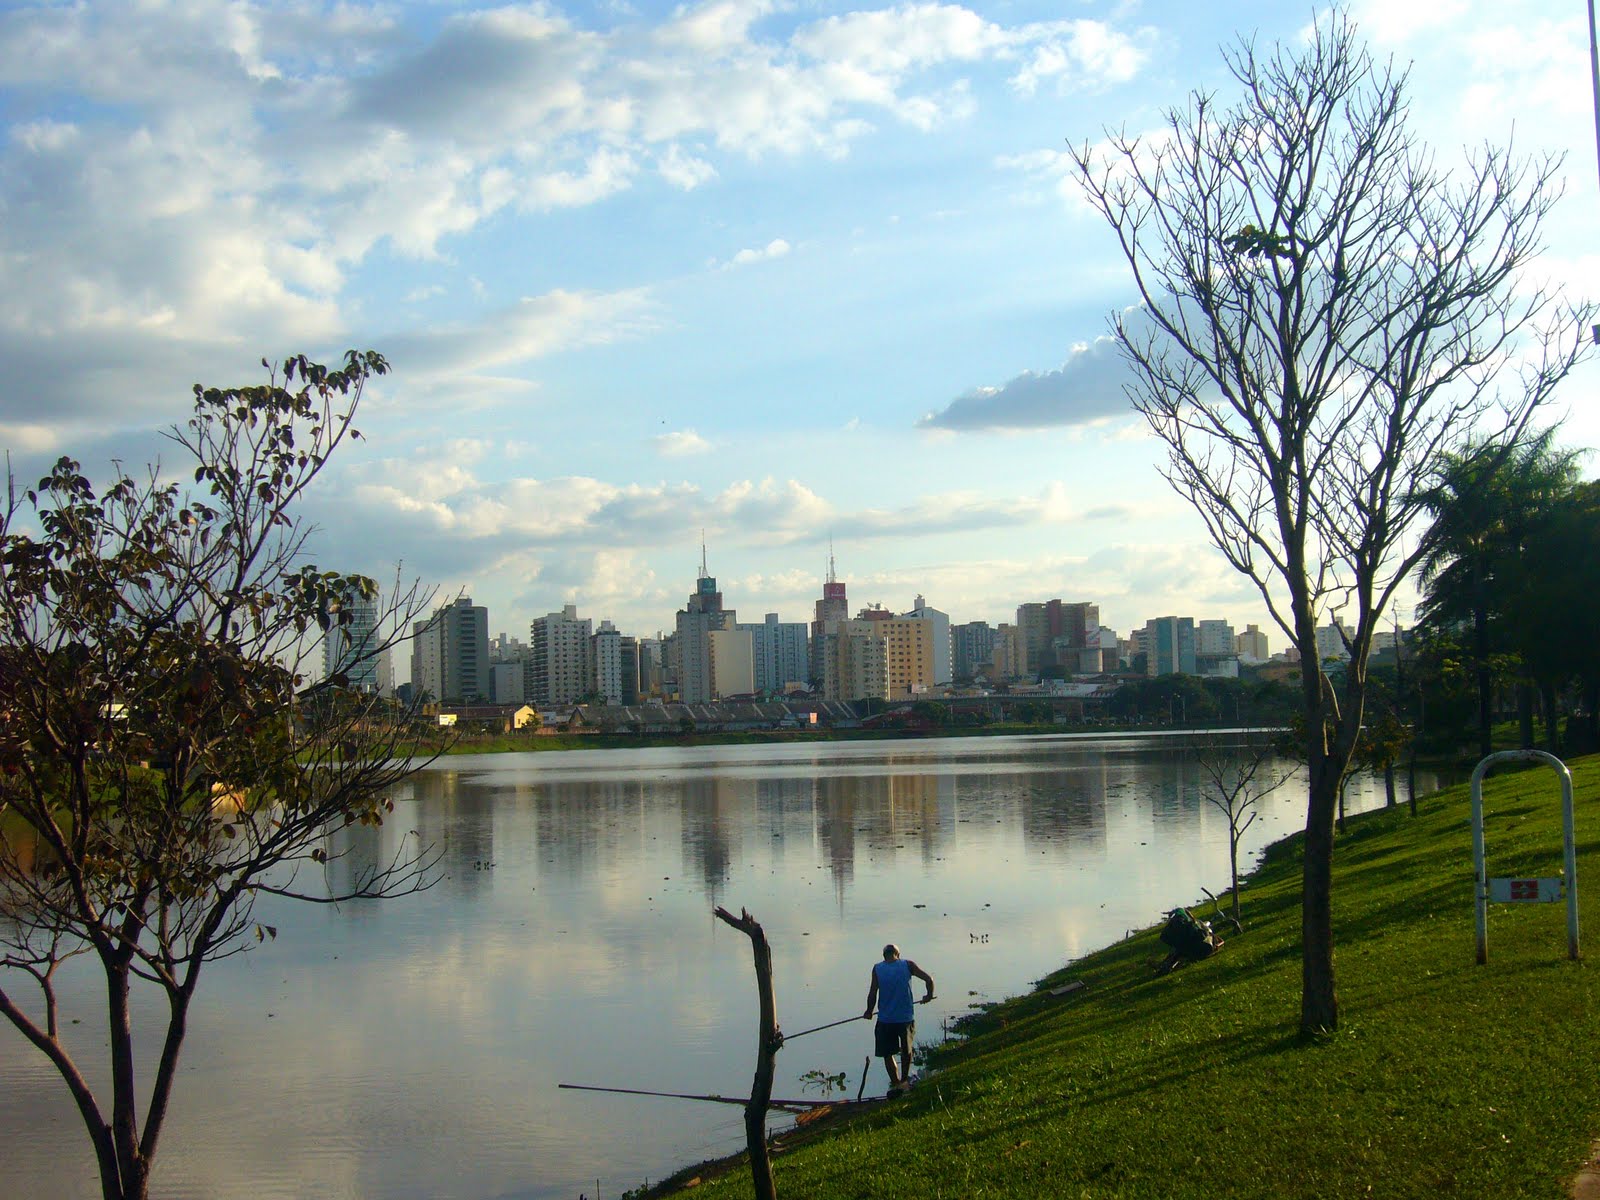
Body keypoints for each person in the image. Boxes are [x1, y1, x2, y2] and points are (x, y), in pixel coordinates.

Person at [863, 943, 934, 1094]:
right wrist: (928, 996)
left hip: (885, 1019)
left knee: (887, 1053)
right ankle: (903, 1081)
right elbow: (929, 979)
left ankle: (895, 1083)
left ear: (884, 956)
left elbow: (873, 992)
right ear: (898, 955)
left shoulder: (877, 968)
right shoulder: (907, 965)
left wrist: (869, 1011)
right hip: (905, 1018)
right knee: (906, 1050)